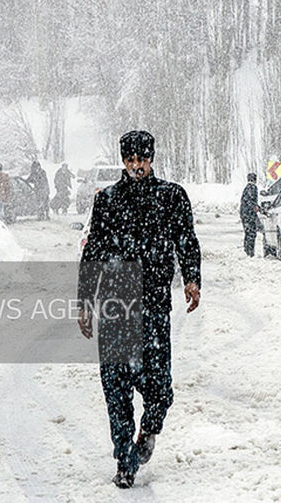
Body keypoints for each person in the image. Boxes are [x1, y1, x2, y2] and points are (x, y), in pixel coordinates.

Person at [77, 129, 202, 488]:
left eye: (142, 159)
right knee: (115, 388)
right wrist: (86, 301)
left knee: (160, 388)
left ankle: (148, 431)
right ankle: (125, 461)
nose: (136, 165)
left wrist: (192, 278)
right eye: (130, 159)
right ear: (123, 160)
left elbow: (186, 240)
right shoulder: (108, 201)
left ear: (151, 158)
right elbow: (94, 255)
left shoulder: (172, 198)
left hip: (154, 305)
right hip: (115, 307)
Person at [239, 172, 262, 256]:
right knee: (252, 233)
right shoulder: (253, 187)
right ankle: (250, 252)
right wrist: (256, 208)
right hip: (249, 214)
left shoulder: (247, 187)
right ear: (255, 179)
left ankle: (247, 250)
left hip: (244, 213)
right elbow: (251, 201)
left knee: (248, 232)